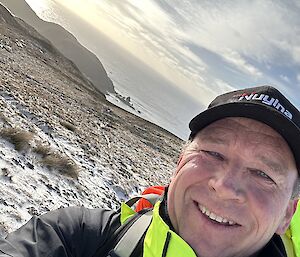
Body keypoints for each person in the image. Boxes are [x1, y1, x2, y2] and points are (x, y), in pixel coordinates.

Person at [0, 85, 299, 257]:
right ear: (180, 162)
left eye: (263, 174)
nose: (225, 185)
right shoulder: (76, 237)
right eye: (214, 153)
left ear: (288, 214)